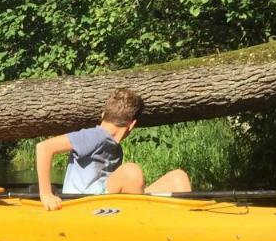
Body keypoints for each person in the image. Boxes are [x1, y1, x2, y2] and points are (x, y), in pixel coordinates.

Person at [35, 87, 190, 210]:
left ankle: (184, 223)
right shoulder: (95, 135)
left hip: (106, 206)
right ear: (132, 125)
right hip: (80, 206)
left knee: (178, 178)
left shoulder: (113, 145)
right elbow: (44, 147)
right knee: (131, 172)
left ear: (103, 115)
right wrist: (46, 194)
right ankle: (139, 223)